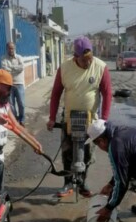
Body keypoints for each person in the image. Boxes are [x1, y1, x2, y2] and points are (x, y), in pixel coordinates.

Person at [47, 36, 112, 198]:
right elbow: (55, 94)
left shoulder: (100, 67)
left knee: (87, 153)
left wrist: (104, 118)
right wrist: (52, 117)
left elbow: (107, 93)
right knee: (68, 153)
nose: (88, 63)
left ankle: (82, 183)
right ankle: (68, 183)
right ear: (75, 57)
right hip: (69, 119)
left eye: (90, 59)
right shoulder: (65, 68)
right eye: (84, 60)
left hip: (90, 120)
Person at [0, 42, 26, 124]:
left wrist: (10, 69)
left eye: (12, 48)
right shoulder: (3, 58)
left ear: (15, 48)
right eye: (9, 48)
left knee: (21, 103)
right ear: (7, 49)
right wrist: (15, 69)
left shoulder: (19, 57)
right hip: (9, 85)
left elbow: (21, 68)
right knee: (11, 105)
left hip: (19, 84)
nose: (11, 50)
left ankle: (22, 119)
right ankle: (15, 119)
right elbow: (5, 69)